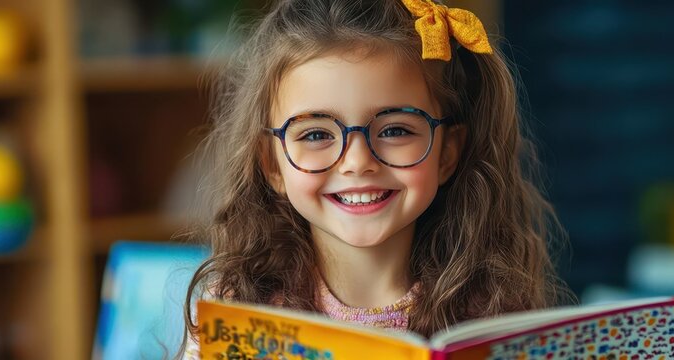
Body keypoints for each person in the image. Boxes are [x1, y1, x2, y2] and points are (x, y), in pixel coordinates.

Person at [179, 0, 570, 358]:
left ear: (447, 153)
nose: (357, 162)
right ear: (272, 164)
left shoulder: (493, 314)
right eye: (316, 134)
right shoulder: (234, 310)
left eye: (395, 130)